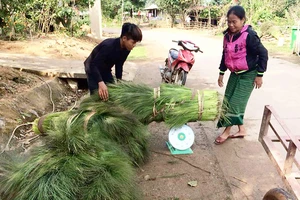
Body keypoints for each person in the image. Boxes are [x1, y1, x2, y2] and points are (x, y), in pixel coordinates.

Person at [214, 5, 268, 144]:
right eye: (229, 21)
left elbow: (263, 53)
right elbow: (225, 55)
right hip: (235, 73)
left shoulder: (249, 35)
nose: (231, 25)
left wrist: (260, 75)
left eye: (234, 21)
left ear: (243, 20)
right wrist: (221, 72)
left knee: (234, 104)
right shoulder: (227, 36)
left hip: (249, 74)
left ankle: (226, 132)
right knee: (228, 100)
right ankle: (242, 129)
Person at [84, 22, 142, 100]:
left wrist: (119, 83)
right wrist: (100, 82)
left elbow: (119, 65)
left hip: (105, 69)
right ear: (124, 38)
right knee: (98, 96)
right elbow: (93, 64)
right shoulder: (109, 46)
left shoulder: (126, 49)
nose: (134, 45)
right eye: (133, 42)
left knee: (112, 93)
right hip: (92, 68)